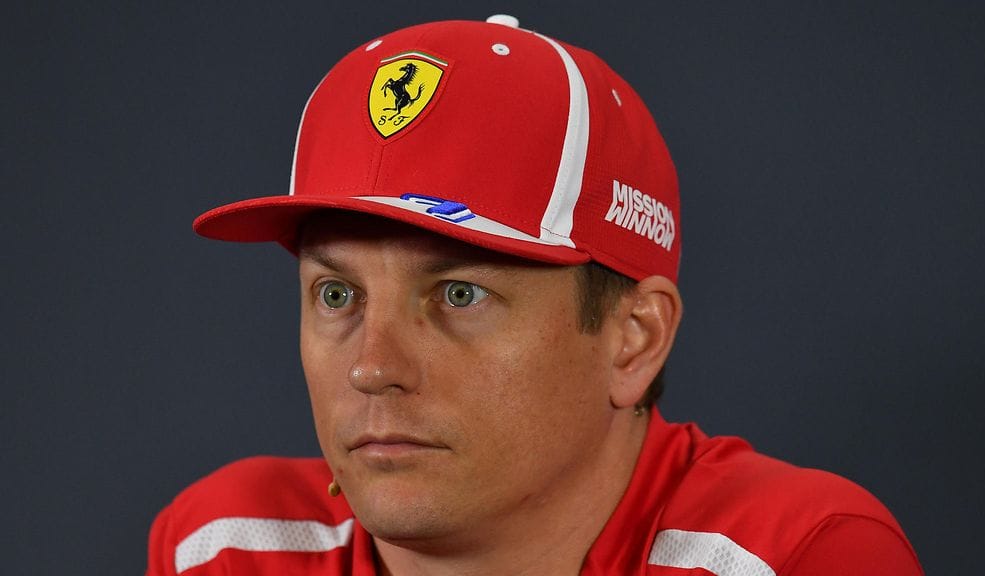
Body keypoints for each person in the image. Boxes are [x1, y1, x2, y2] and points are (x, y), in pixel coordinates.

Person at [147, 15, 922, 576]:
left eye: (459, 293)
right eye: (337, 294)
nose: (372, 367)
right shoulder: (227, 548)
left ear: (636, 339)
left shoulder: (794, 556)